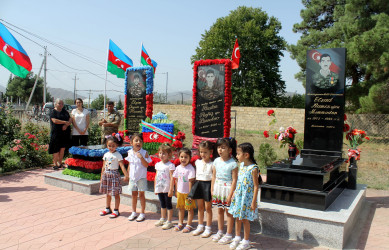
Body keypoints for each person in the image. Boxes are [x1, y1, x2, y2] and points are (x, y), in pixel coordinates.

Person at [228, 143, 260, 250]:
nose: (236, 156)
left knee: (245, 219)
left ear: (246, 155)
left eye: (238, 154)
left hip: (247, 199)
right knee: (237, 217)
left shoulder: (253, 169)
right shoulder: (241, 166)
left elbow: (256, 186)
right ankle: (237, 237)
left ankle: (246, 241)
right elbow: (239, 182)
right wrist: (234, 193)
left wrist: (253, 201)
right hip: (239, 197)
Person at [211, 137, 238, 244]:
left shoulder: (233, 163)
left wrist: (230, 194)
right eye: (218, 148)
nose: (220, 150)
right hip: (218, 188)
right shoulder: (216, 161)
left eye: (223, 148)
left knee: (229, 212)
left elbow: (235, 180)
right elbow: (213, 176)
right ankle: (220, 231)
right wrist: (212, 189)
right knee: (219, 210)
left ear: (230, 150)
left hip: (228, 189)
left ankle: (229, 234)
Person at [99, 134, 129, 218]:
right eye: (109, 145)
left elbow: (122, 166)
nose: (111, 147)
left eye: (113, 146)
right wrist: (102, 176)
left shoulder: (118, 155)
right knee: (107, 193)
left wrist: (126, 175)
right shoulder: (105, 155)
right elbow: (103, 166)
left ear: (117, 145)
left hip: (114, 175)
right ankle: (108, 208)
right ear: (106, 145)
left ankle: (116, 210)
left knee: (116, 194)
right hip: (106, 175)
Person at [190, 140, 214, 238]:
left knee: (208, 208)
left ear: (211, 152)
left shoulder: (213, 164)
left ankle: (208, 228)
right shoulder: (197, 162)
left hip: (208, 185)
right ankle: (200, 226)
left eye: (205, 152)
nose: (203, 154)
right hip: (199, 184)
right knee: (200, 207)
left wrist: (212, 189)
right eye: (201, 152)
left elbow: (213, 178)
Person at [126, 133, 151, 222]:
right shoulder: (130, 153)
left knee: (141, 195)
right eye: (136, 140)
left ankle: (142, 213)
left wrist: (141, 158)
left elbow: (146, 165)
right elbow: (130, 164)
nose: (138, 142)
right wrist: (127, 175)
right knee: (133, 195)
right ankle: (133, 212)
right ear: (131, 143)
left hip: (141, 178)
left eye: (140, 141)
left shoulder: (145, 153)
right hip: (133, 178)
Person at [172, 148, 196, 233]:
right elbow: (176, 179)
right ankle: (180, 223)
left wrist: (190, 194)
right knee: (181, 208)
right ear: (178, 157)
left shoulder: (190, 169)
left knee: (189, 209)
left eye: (186, 157)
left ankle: (189, 225)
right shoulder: (178, 168)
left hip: (187, 193)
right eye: (181, 157)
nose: (183, 159)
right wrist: (175, 190)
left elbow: (190, 181)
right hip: (179, 192)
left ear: (190, 158)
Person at [154, 144, 176, 230]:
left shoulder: (170, 165)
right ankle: (162, 218)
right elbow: (156, 176)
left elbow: (172, 178)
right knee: (162, 204)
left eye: (164, 153)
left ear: (169, 155)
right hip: (160, 187)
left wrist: (171, 189)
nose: (161, 155)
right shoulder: (158, 164)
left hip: (167, 188)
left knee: (168, 204)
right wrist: (156, 187)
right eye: (160, 153)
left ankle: (169, 221)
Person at [48, 98, 72, 170]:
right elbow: (55, 120)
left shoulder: (65, 111)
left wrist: (66, 125)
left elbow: (70, 119)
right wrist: (64, 122)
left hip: (64, 133)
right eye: (59, 103)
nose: (61, 105)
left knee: (62, 148)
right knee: (56, 149)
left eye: (62, 103)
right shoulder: (53, 112)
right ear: (55, 104)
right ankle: (55, 163)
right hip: (56, 133)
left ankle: (60, 163)